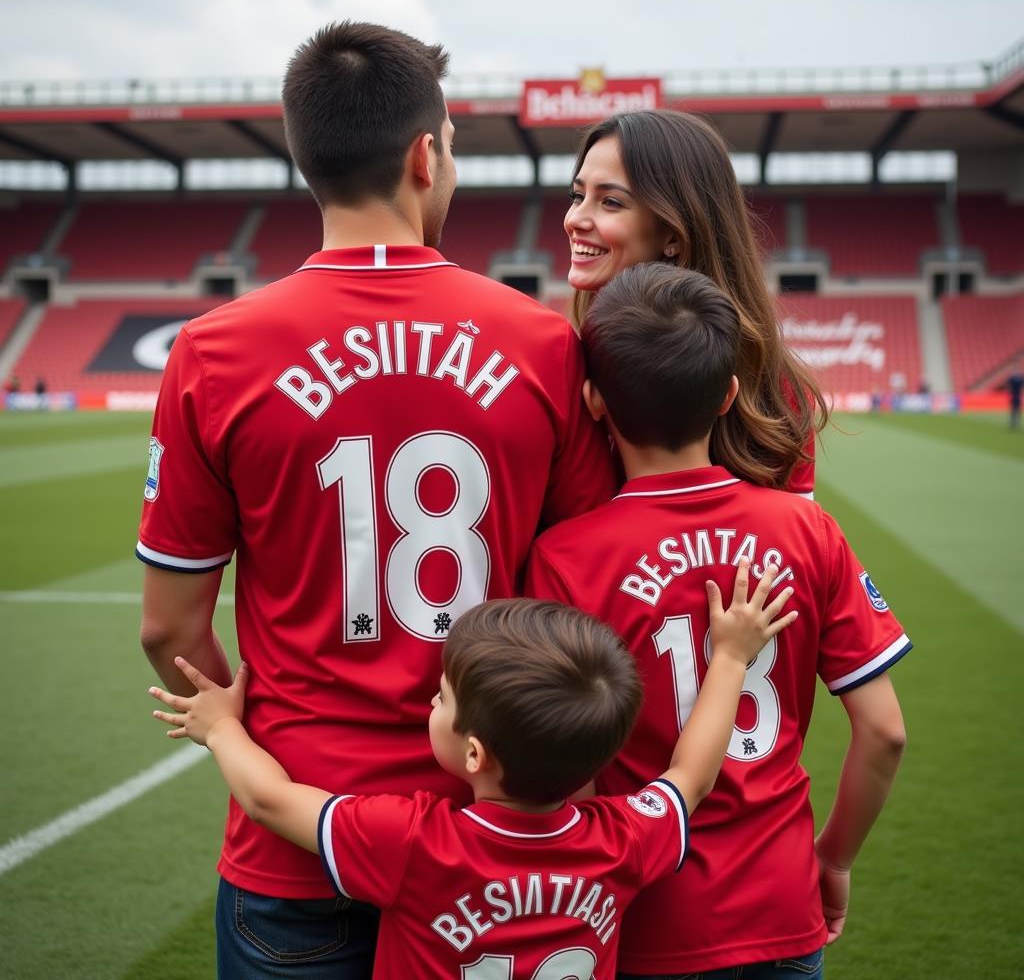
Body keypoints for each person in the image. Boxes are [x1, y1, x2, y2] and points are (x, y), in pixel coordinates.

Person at [136, 22, 616, 979]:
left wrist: (240, 727)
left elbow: (168, 629)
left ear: (303, 158)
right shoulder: (545, 345)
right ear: (424, 154)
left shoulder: (211, 353)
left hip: (299, 840)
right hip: (495, 836)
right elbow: (583, 594)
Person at [525, 264, 910, 979]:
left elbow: (565, 781)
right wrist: (833, 858)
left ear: (594, 402)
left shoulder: (563, 558)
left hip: (642, 917)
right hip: (782, 907)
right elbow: (885, 731)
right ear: (730, 394)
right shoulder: (807, 529)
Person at [148, 584, 794, 980]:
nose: (431, 702)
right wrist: (733, 655)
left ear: (476, 753)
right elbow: (692, 776)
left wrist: (221, 728)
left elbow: (268, 800)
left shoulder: (414, 842)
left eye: (442, 699)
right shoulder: (624, 839)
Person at [563, 109, 827, 497]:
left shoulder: (771, 389)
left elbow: (792, 547)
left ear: (674, 232)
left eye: (611, 202)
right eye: (577, 196)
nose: (574, 219)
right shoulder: (562, 358)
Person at [1007, 360, 1023, 430]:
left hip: (1018, 395)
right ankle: (1013, 422)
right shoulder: (1012, 377)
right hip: (1014, 395)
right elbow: (1009, 386)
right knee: (1013, 409)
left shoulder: (1020, 377)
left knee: (1017, 409)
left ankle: (1016, 422)